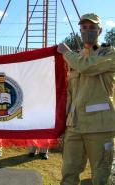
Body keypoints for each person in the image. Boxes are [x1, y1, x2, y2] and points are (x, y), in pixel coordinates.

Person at [57, 13, 115, 185]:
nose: (87, 31)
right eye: (84, 27)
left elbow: (87, 66)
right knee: (68, 173)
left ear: (100, 30)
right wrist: (63, 124)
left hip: (100, 126)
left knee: (101, 175)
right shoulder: (76, 57)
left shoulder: (109, 53)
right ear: (80, 30)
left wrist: (67, 53)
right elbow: (69, 94)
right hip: (74, 127)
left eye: (92, 27)